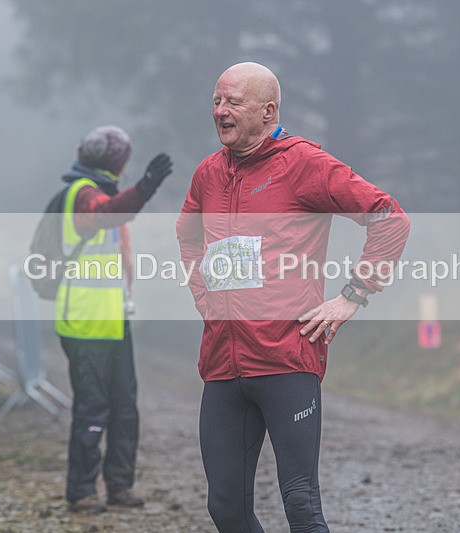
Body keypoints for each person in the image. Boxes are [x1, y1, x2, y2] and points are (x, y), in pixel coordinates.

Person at [176, 62, 410, 532]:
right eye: (216, 101)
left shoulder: (304, 164)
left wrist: (352, 295)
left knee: (300, 504)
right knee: (226, 509)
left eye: (233, 102)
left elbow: (390, 218)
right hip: (223, 363)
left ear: (268, 111)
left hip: (286, 360)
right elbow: (188, 235)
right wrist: (205, 297)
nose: (220, 111)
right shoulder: (208, 173)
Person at [56, 125, 172, 512]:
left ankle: (119, 486)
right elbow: (104, 215)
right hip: (85, 323)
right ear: (117, 163)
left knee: (125, 407)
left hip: (112, 319)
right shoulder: (81, 195)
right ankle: (82, 491)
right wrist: (145, 188)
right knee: (93, 407)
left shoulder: (102, 191)